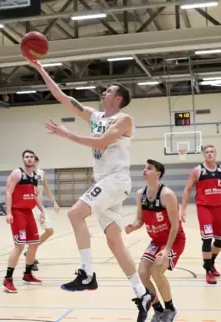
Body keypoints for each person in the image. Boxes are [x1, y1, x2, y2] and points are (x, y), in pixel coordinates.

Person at [27, 58, 155, 320]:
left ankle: (87, 273)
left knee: (75, 214)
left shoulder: (124, 119)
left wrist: (67, 135)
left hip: (115, 179)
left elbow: (103, 141)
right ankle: (141, 292)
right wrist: (40, 69)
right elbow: (63, 97)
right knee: (114, 241)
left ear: (118, 98)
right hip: (105, 183)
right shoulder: (95, 116)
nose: (103, 92)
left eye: (108, 90)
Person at [125, 160, 185, 322]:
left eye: (149, 168)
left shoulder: (167, 194)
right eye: (144, 167)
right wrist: (133, 226)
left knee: (157, 270)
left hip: (174, 239)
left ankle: (170, 309)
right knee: (143, 274)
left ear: (158, 174)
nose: (145, 170)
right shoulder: (140, 194)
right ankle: (158, 310)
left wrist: (167, 250)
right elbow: (140, 219)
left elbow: (175, 226)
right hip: (156, 240)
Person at [180, 144, 221, 285]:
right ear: (204, 155)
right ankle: (208, 271)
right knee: (207, 239)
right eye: (207, 152)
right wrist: (183, 208)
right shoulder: (197, 171)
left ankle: (210, 263)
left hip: (217, 208)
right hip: (204, 208)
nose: (209, 154)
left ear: (215, 154)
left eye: (212, 152)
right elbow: (187, 190)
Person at [2, 150, 46, 293]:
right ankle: (7, 279)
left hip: (29, 212)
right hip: (17, 212)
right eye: (26, 157)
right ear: (23, 159)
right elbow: (8, 192)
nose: (29, 159)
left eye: (31, 157)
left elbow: (36, 195)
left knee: (34, 244)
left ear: (34, 159)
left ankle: (28, 274)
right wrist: (8, 212)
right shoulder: (17, 173)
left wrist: (42, 210)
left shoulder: (35, 176)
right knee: (19, 246)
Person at [24, 155, 60, 271]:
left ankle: (30, 251)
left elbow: (47, 189)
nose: (32, 163)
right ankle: (31, 260)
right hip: (29, 208)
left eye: (34, 161)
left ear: (37, 162)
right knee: (33, 235)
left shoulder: (41, 173)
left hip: (40, 208)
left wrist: (54, 202)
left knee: (50, 231)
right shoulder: (24, 175)